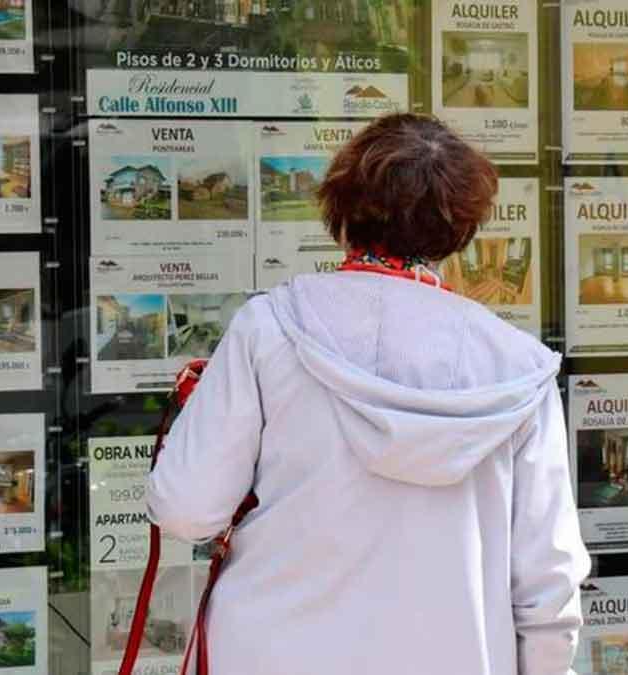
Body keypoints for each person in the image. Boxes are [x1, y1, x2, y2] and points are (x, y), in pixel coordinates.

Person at [147, 113, 590, 675]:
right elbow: (548, 585)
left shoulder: (269, 329)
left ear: (342, 207)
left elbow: (187, 512)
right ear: (461, 226)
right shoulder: (517, 370)